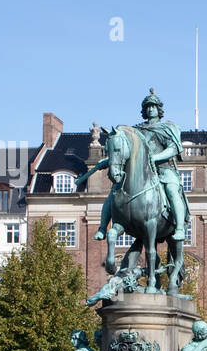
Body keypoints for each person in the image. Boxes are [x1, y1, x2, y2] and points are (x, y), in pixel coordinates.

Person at [76, 89, 189, 242]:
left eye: (153, 106)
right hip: (140, 173)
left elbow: (173, 149)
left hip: (163, 170)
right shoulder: (136, 131)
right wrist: (108, 161)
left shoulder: (167, 128)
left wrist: (154, 158)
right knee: (115, 192)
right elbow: (124, 151)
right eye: (148, 107)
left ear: (159, 109)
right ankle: (103, 227)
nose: (150, 109)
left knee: (172, 190)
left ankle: (180, 228)